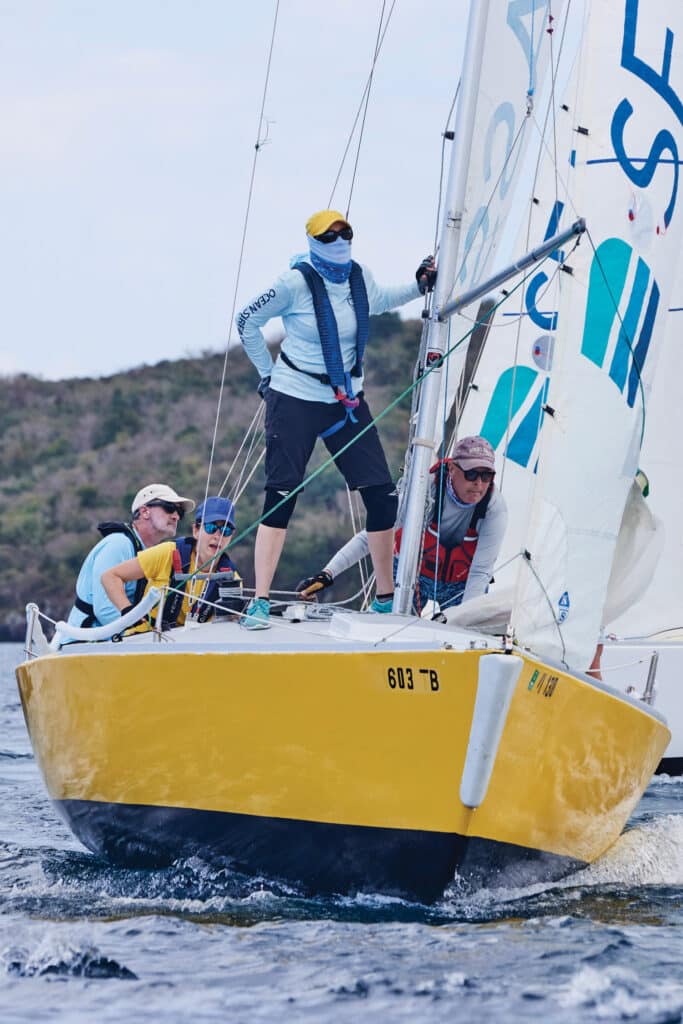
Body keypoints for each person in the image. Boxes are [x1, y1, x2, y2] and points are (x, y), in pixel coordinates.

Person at [235, 207, 437, 629]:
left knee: (382, 496)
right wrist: (268, 377)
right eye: (329, 236)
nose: (339, 240)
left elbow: (383, 300)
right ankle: (259, 600)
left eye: (345, 232)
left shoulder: (358, 276)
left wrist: (421, 286)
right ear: (313, 241)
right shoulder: (294, 282)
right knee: (282, 495)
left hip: (344, 399)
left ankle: (384, 600)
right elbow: (247, 322)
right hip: (293, 397)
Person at [297, 436, 508, 614]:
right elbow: (372, 536)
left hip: (460, 585)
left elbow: (480, 572)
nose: (479, 484)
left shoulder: (493, 507)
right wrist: (328, 573)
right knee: (388, 628)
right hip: (412, 574)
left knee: (467, 629)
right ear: (452, 468)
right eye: (471, 474)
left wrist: (463, 623)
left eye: (486, 475)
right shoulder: (423, 491)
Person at [67, 483, 195, 631]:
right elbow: (105, 609)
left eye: (180, 512)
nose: (176, 516)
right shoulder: (118, 544)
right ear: (144, 512)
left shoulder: (150, 553)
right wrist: (141, 633)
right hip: (85, 643)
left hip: (115, 642)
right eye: (169, 508)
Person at [100, 496, 242, 630]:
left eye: (226, 530)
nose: (218, 536)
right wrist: (129, 613)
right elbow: (110, 576)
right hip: (146, 637)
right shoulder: (168, 552)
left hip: (190, 648)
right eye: (211, 528)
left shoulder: (232, 578)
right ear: (196, 530)